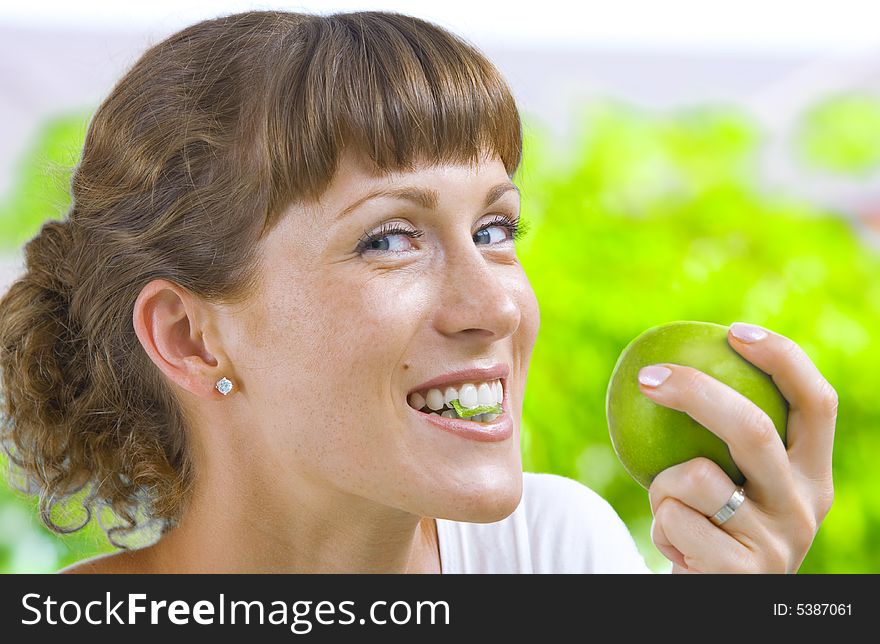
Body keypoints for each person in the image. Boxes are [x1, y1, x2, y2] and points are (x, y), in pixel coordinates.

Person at [0, 10, 836, 574]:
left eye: (496, 230)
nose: (498, 308)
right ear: (190, 337)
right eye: (390, 238)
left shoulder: (553, 553)